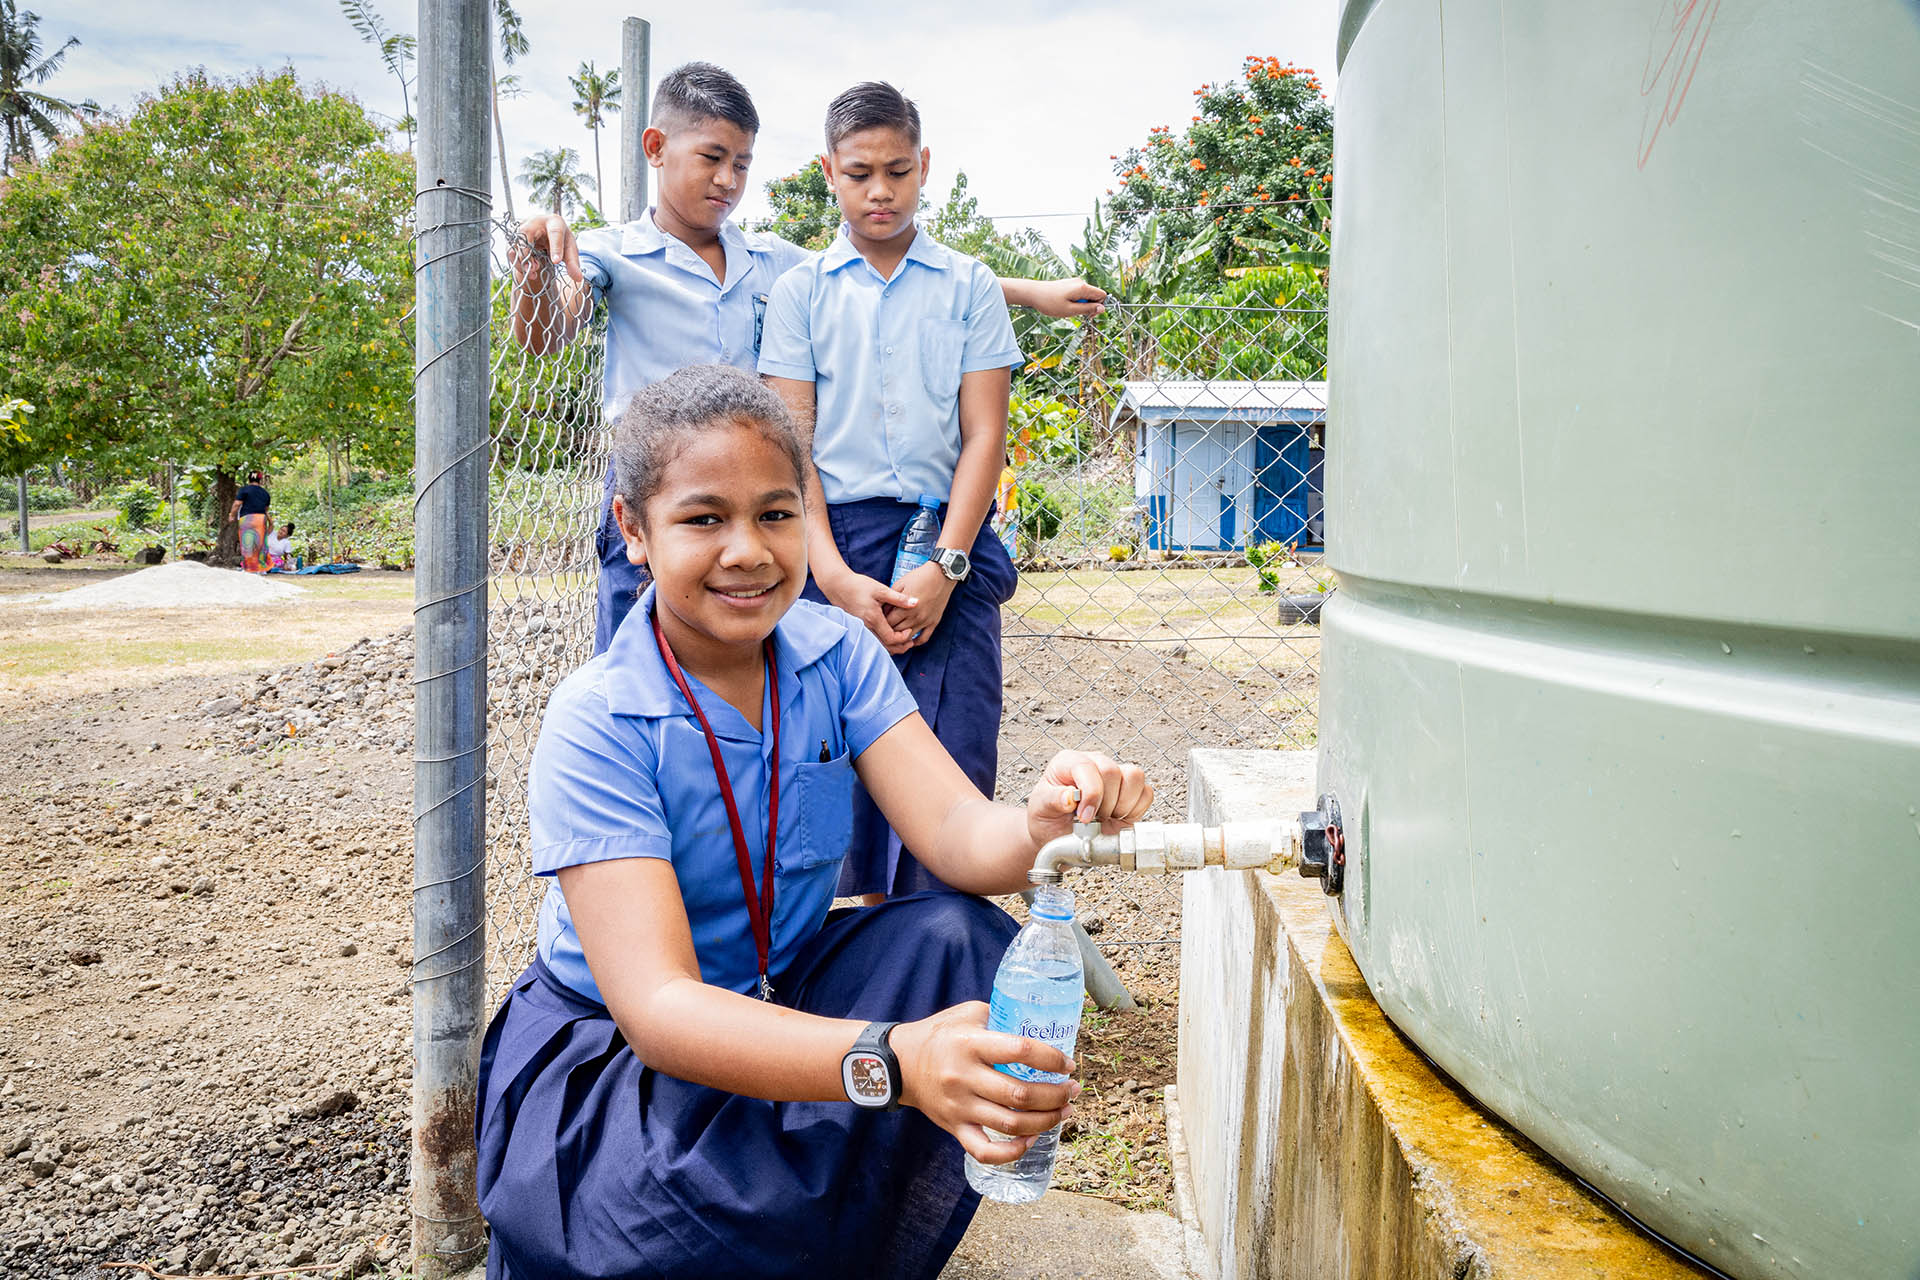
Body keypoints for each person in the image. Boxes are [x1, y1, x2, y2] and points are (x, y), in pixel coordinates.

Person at [475, 365, 1153, 1280]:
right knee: (653, 1233)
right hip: (620, 1054)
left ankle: (830, 1244)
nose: (748, 550)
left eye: (777, 513)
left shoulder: (835, 655)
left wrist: (1040, 822)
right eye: (704, 518)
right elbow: (663, 1010)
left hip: (782, 987)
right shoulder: (600, 720)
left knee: (953, 937)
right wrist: (898, 1062)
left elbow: (956, 833)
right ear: (633, 529)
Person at [507, 61, 1106, 655]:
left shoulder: (775, 262)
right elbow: (544, 334)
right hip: (660, 485)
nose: (727, 180)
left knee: (748, 653)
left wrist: (1031, 293)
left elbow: (894, 276)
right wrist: (534, 266)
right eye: (711, 158)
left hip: (754, 487)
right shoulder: (613, 254)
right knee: (638, 647)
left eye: (741, 164)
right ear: (657, 147)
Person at [759, 82, 1020, 900]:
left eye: (899, 172)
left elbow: (984, 434)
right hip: (831, 545)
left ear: (925, 166)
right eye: (861, 172)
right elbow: (789, 448)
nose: (881, 192)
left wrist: (945, 567)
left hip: (948, 538)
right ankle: (857, 955)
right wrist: (831, 580)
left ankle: (941, 947)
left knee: (956, 745)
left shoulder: (968, 284)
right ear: (828, 173)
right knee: (836, 761)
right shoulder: (803, 292)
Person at [228, 471, 271, 574]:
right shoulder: (265, 493)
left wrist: (232, 515)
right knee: (260, 543)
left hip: (247, 518)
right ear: (260, 480)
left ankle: (249, 568)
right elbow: (266, 509)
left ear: (249, 479)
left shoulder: (244, 490)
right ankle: (261, 569)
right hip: (261, 518)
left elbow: (237, 504)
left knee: (247, 542)